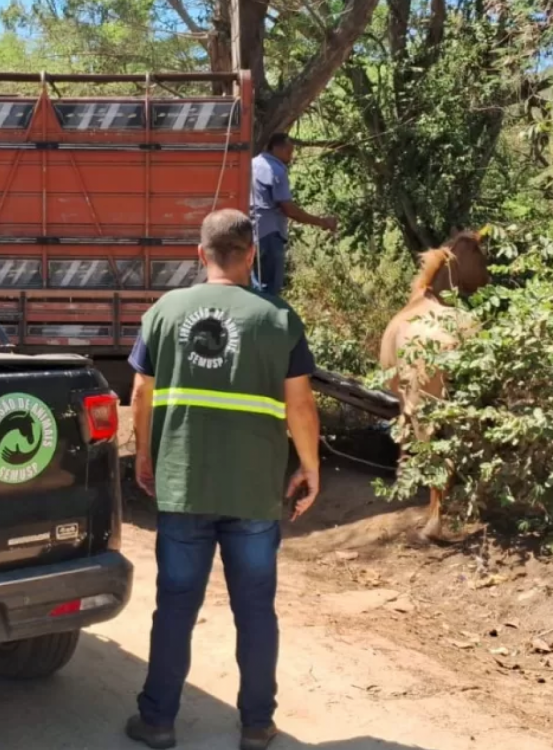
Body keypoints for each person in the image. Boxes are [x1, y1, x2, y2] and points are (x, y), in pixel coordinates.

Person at [124, 208, 322, 750]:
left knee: (175, 606)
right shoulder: (278, 317)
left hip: (184, 485)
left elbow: (140, 394)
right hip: (254, 493)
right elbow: (300, 405)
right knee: (256, 610)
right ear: (251, 255)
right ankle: (257, 724)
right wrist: (310, 467)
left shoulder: (165, 311)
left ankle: (158, 721)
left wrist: (144, 454)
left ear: (201, 254)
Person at [250, 132, 338, 295]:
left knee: (255, 285)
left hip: (249, 234)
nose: (290, 157)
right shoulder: (276, 170)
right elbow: (289, 209)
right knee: (269, 289)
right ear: (276, 148)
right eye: (288, 152)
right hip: (269, 234)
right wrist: (322, 222)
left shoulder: (250, 164)